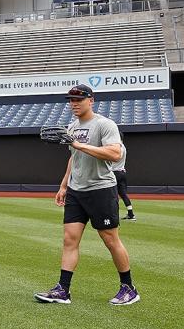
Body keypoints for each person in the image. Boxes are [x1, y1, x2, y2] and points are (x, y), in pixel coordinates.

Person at [35, 85, 139, 307]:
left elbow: (114, 152)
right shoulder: (72, 126)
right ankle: (63, 289)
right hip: (76, 191)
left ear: (91, 100)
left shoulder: (104, 124)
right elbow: (74, 158)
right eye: (71, 100)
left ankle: (129, 288)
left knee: (110, 240)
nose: (73, 103)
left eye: (78, 100)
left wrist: (78, 144)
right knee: (69, 240)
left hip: (101, 189)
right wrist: (63, 186)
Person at [112, 140, 135, 221]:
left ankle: (114, 215)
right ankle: (131, 214)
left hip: (115, 173)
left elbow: (114, 158)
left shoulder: (117, 147)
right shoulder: (123, 147)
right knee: (123, 194)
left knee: (113, 194)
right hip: (122, 172)